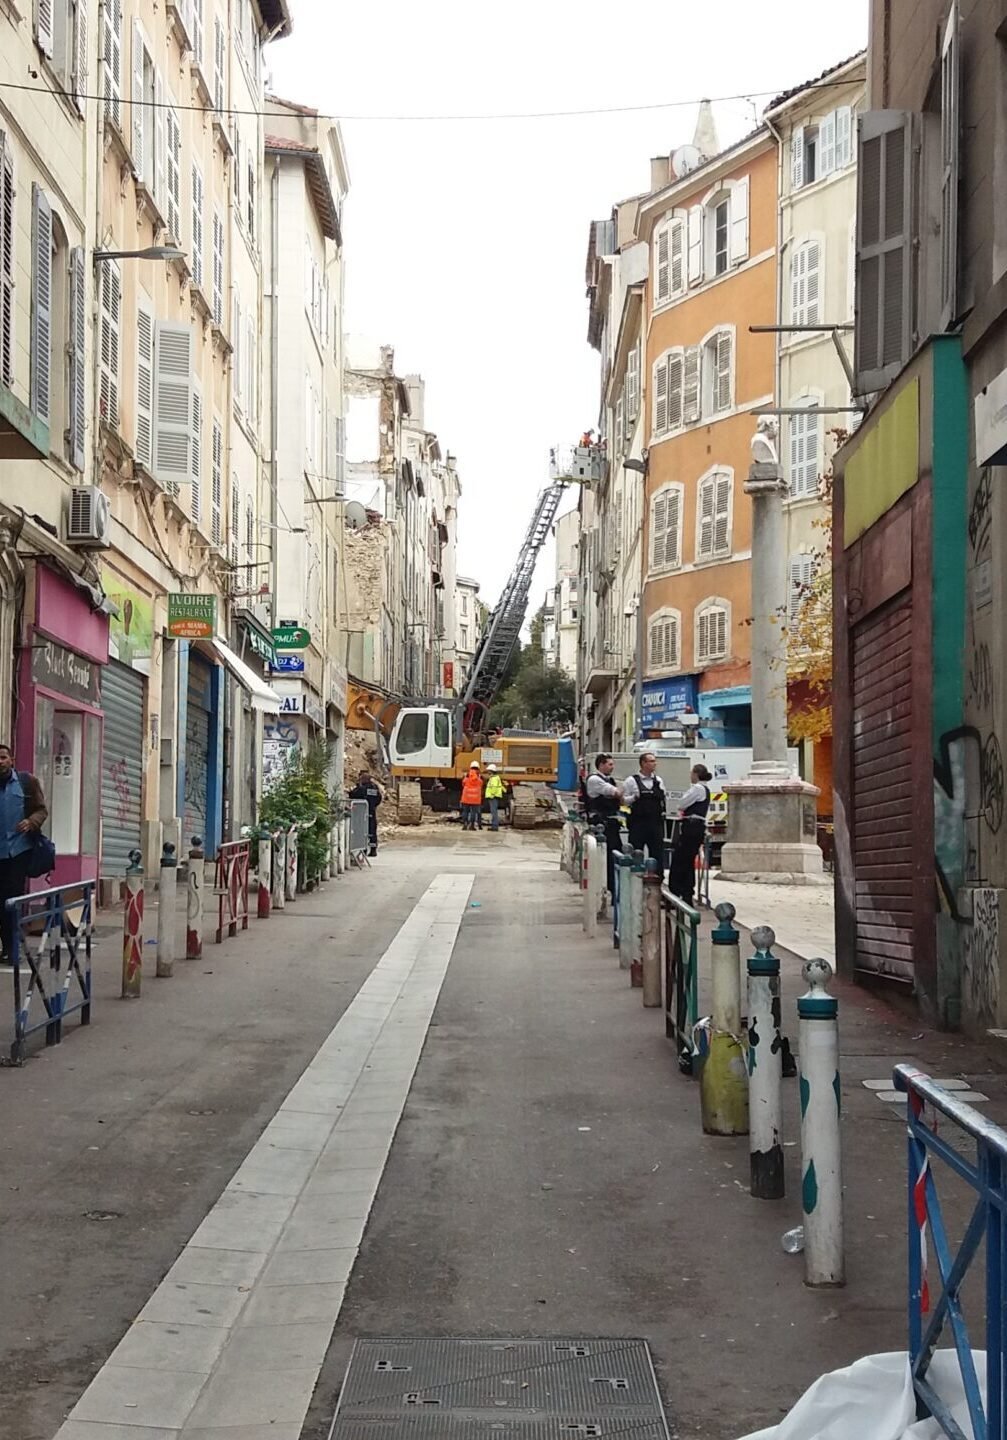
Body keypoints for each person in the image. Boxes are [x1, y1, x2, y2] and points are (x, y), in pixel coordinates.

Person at [0, 744, 47, 964]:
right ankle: (7, 945)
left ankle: (13, 948)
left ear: (12, 760)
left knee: (12, 901)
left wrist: (31, 822)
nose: (0, 762)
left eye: (3, 757)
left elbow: (41, 810)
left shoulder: (26, 782)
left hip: (18, 852)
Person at [668, 764, 713, 905]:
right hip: (696, 827)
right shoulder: (705, 789)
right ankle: (687, 892)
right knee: (687, 861)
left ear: (696, 774)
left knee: (680, 860)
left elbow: (681, 804)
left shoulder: (697, 789)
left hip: (691, 827)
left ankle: (678, 891)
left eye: (691, 773)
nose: (690, 776)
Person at [622, 751, 668, 882]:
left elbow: (663, 798)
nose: (655, 764)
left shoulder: (658, 780)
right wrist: (634, 797)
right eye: (651, 761)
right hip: (638, 823)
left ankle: (658, 881)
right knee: (636, 852)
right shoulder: (631, 781)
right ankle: (634, 880)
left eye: (655, 761)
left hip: (655, 823)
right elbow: (623, 801)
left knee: (657, 853)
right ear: (643, 763)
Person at [584, 753, 623, 899]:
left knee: (615, 855)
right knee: (606, 858)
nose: (613, 767)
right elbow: (615, 792)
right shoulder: (595, 780)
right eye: (610, 764)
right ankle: (607, 889)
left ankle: (614, 888)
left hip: (611, 824)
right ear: (601, 765)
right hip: (601, 825)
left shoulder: (609, 780)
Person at [349, 769, 383, 857]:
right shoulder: (374, 787)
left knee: (361, 830)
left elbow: (354, 795)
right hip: (371, 811)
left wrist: (351, 791)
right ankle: (373, 849)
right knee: (372, 831)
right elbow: (379, 798)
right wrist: (373, 805)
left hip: (361, 813)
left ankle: (363, 848)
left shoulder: (362, 788)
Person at [460, 762, 484, 831]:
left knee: (465, 811)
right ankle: (472, 826)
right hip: (475, 798)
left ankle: (465, 824)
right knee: (473, 812)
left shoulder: (466, 775)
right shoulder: (479, 777)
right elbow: (481, 784)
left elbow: (463, 783)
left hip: (466, 797)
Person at [485, 765, 507, 831]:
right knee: (493, 811)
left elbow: (494, 788)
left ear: (491, 771)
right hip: (494, 796)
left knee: (494, 812)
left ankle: (494, 826)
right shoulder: (495, 778)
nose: (487, 772)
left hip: (493, 797)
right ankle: (494, 826)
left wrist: (491, 795)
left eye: (488, 771)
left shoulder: (494, 778)